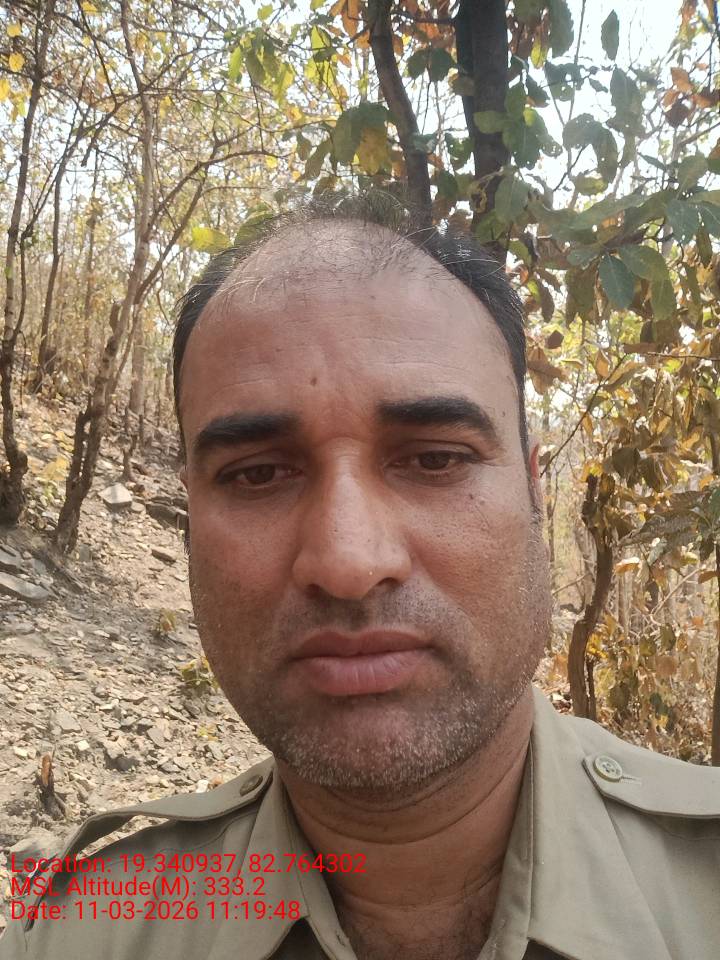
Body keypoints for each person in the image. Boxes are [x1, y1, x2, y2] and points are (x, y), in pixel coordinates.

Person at [2, 193, 720, 960]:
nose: (348, 563)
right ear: (190, 518)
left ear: (535, 493)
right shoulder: (75, 937)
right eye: (256, 474)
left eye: (435, 459)